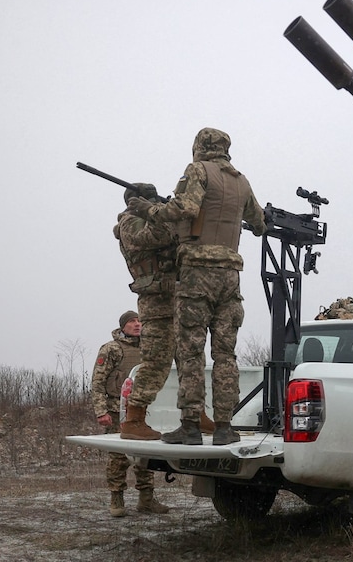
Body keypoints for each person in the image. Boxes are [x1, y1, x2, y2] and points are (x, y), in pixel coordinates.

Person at [127, 127, 266, 446]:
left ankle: (190, 425)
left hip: (197, 273)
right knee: (225, 354)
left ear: (199, 147)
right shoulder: (242, 181)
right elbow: (259, 224)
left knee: (190, 352)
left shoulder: (198, 170)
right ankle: (224, 427)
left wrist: (149, 209)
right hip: (230, 275)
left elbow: (184, 209)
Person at [114, 183, 214, 440]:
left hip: (181, 297)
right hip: (156, 303)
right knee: (157, 361)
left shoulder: (156, 218)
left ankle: (195, 413)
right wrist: (158, 213)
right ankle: (134, 418)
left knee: (191, 359)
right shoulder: (129, 222)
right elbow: (156, 237)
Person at [90, 311, 170, 517]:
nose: (137, 324)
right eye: (132, 321)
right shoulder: (111, 349)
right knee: (118, 456)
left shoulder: (148, 348)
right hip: (117, 410)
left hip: (143, 411)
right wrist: (101, 411)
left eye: (139, 321)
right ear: (123, 326)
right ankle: (117, 499)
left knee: (145, 454)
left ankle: (146, 499)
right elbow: (97, 383)